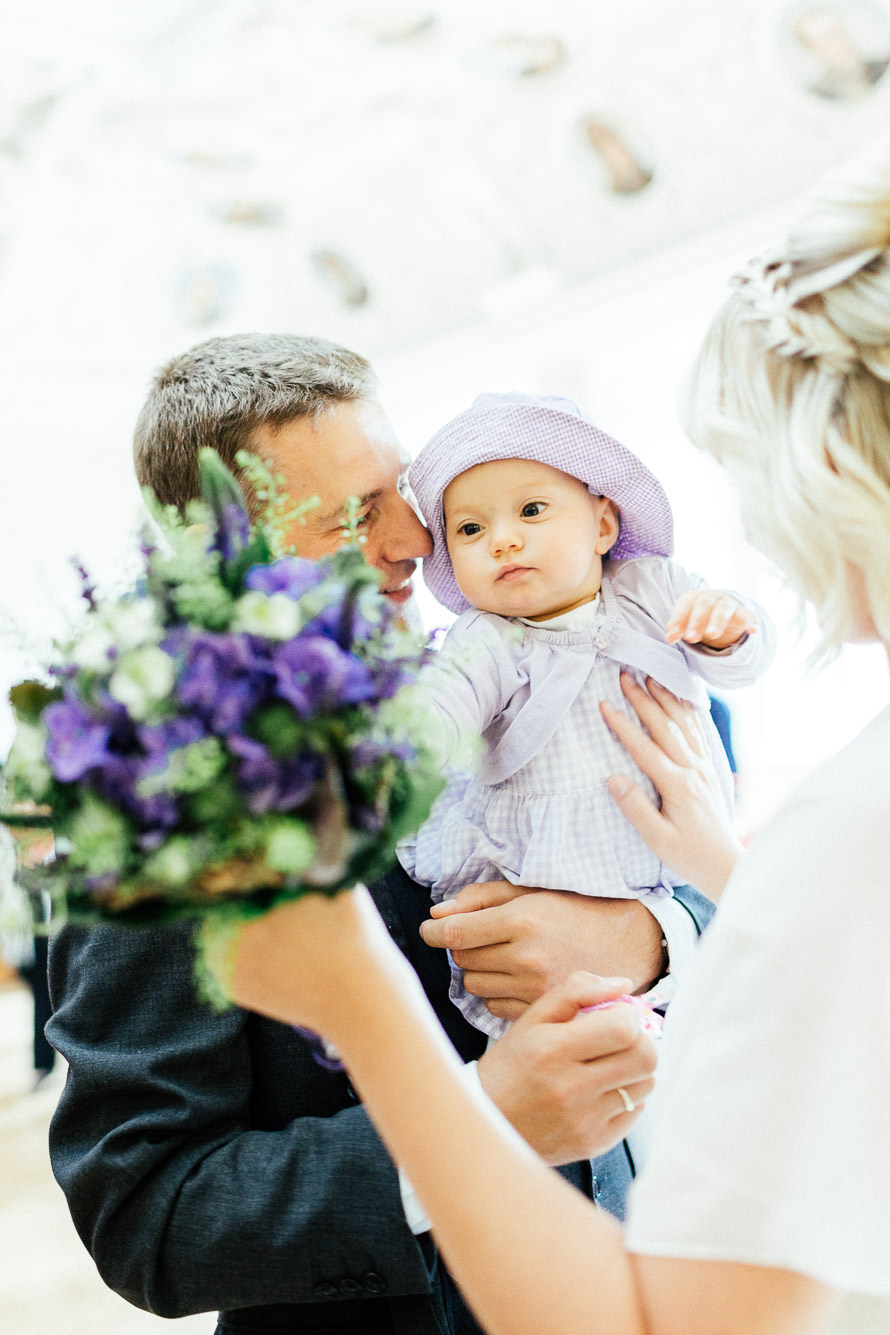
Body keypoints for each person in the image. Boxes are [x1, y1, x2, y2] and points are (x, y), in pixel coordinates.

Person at [221, 140, 890, 1335]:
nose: (413, 550)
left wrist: (654, 930)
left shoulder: (693, 695)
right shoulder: (190, 767)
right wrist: (705, 896)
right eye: (450, 524)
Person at [46, 333, 716, 1335]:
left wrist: (653, 932)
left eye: (398, 487)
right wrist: (482, 1119)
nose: (412, 535)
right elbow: (147, 1215)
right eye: (351, 517)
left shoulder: (515, 659)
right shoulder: (155, 804)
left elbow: (702, 863)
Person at [399, 393, 773, 1039]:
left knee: (715, 1017)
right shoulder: (487, 637)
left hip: (677, 854)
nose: (504, 538)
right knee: (582, 1037)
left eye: (531, 510)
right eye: (470, 529)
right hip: (549, 870)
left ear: (603, 525)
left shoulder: (651, 587)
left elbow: (741, 663)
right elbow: (446, 700)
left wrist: (725, 626)